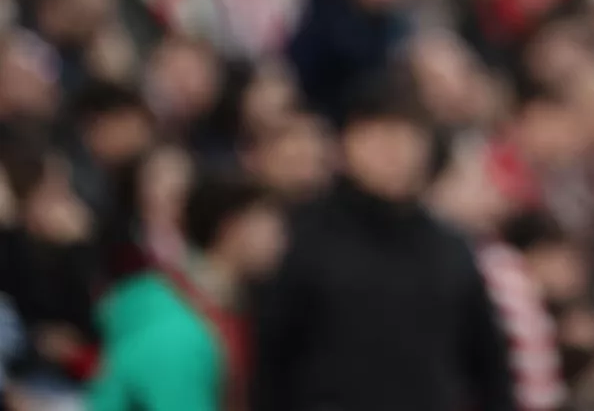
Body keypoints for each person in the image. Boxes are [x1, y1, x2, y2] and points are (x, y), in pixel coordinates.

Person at [251, 76, 515, 411]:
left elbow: (489, 367)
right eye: (380, 135)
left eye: (408, 135)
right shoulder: (306, 241)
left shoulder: (451, 249)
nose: (395, 150)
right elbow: (273, 364)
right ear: (347, 144)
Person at [88, 172, 285, 411]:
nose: (281, 241)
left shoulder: (230, 308)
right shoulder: (177, 325)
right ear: (231, 228)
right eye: (269, 226)